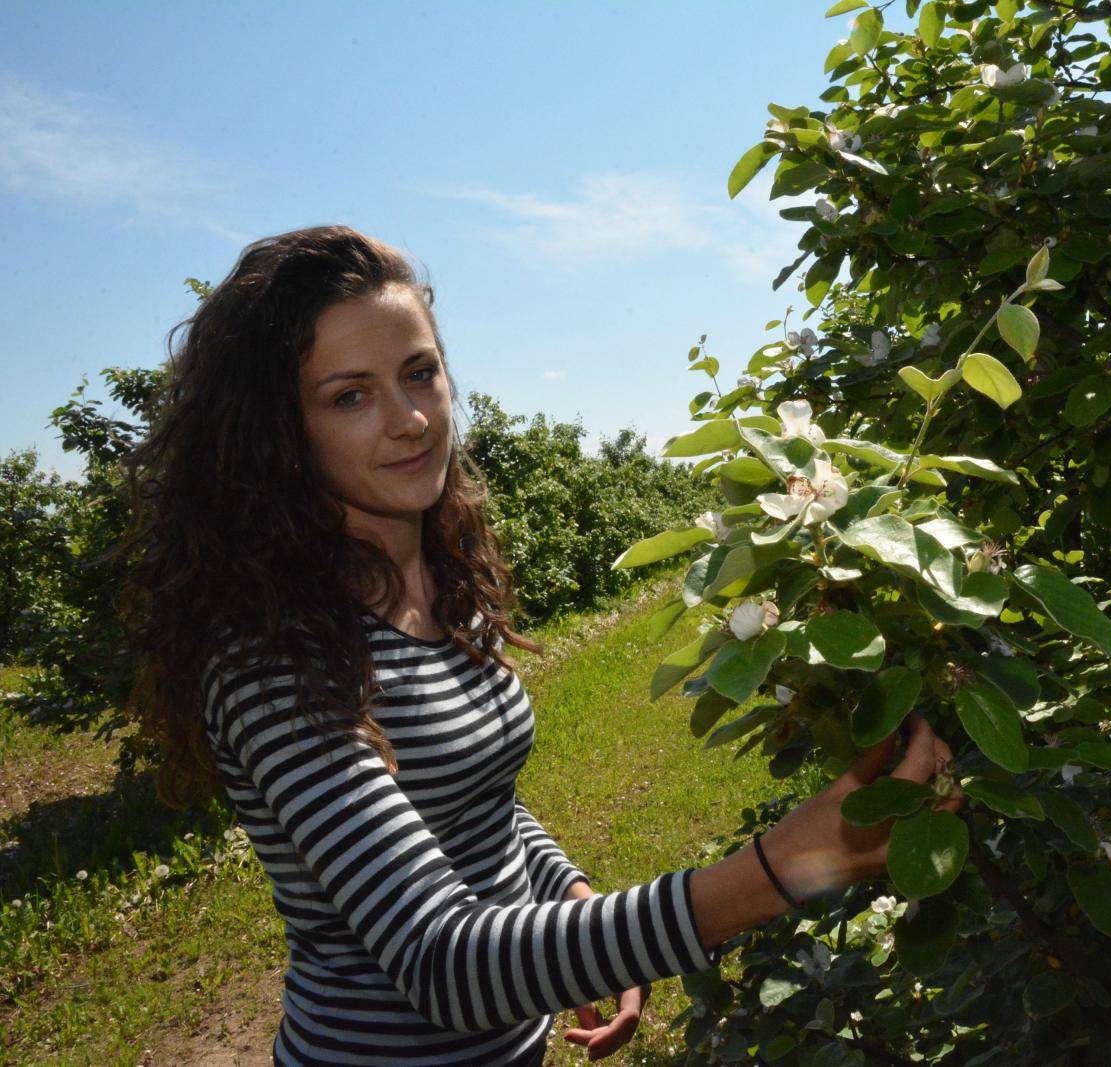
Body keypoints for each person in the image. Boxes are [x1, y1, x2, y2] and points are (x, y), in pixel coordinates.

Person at [114, 225, 965, 1065]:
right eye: (350, 395)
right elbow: (443, 961)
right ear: (279, 434)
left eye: (420, 373)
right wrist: (780, 868)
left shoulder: (442, 587)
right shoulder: (274, 662)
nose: (411, 419)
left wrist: (571, 893)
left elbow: (482, 803)